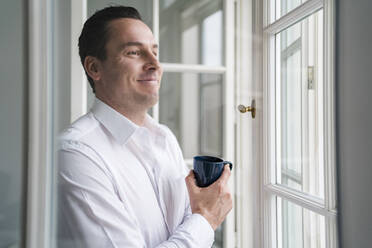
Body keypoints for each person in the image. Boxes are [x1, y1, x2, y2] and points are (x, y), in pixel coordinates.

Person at [58, 6, 232, 248]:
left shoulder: (165, 138)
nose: (155, 65)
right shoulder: (75, 153)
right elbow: (198, 223)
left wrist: (200, 213)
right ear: (94, 68)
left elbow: (186, 222)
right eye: (134, 52)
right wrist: (206, 219)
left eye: (154, 52)